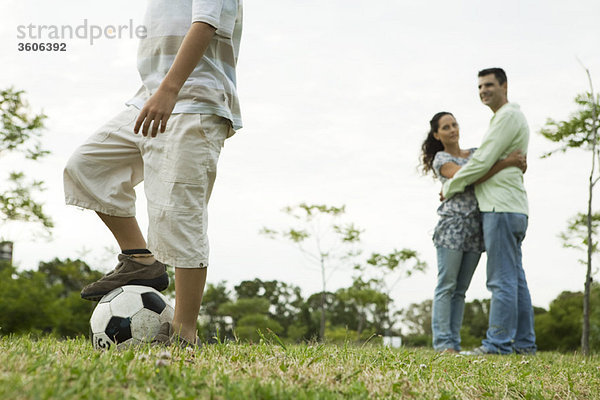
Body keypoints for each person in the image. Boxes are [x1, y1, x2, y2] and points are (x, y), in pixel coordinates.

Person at [63, 0, 243, 347]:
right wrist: (159, 91)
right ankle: (140, 260)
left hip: (194, 104)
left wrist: (169, 89)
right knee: (87, 166)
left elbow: (205, 23)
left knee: (180, 217)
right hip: (148, 99)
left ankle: (183, 333)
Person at [442, 68, 537, 355]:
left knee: (501, 278)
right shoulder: (505, 118)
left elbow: (481, 162)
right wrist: (508, 162)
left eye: (489, 85)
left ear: (504, 85)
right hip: (512, 207)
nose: (483, 90)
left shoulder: (507, 116)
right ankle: (524, 344)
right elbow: (490, 160)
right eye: (480, 86)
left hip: (500, 207)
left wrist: (450, 187)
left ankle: (498, 344)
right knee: (515, 278)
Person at [421, 111, 526, 353]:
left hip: (477, 228)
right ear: (437, 134)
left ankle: (454, 344)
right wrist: (506, 163)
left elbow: (483, 170)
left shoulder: (476, 153)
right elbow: (468, 177)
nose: (452, 130)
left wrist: (514, 161)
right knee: (446, 286)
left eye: (454, 124)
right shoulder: (441, 158)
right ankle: (443, 343)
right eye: (446, 127)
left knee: (461, 290)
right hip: (453, 227)